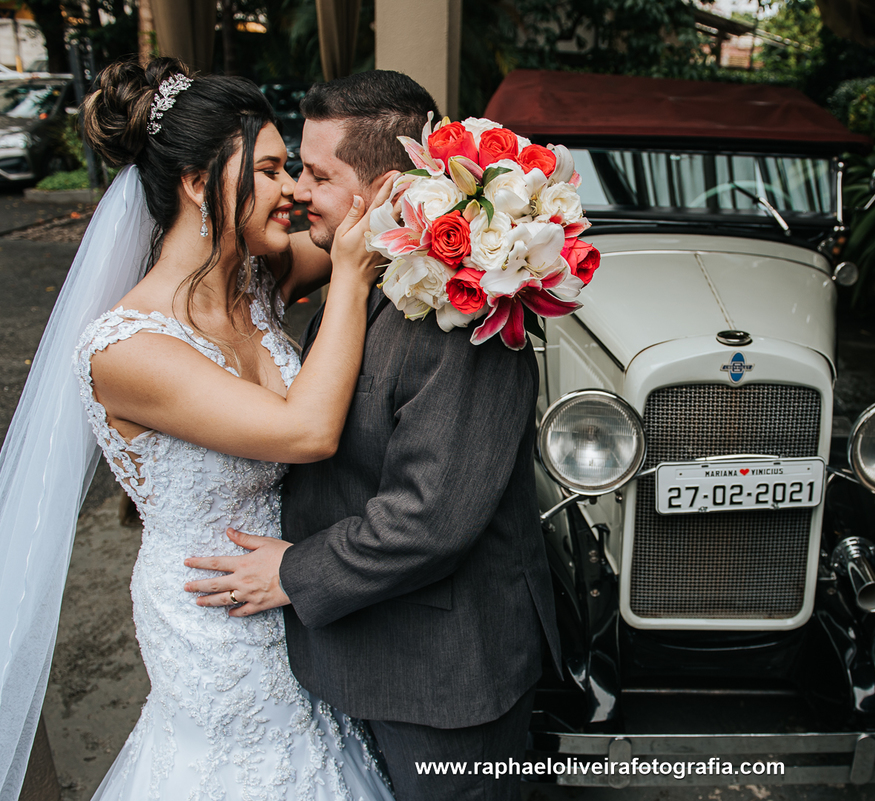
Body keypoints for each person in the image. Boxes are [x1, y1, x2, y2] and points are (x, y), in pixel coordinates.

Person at [181, 71, 563, 800]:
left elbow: (430, 518)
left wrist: (294, 572)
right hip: (369, 652)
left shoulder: (465, 312)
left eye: (317, 174)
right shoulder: (361, 272)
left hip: (445, 680)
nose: (296, 189)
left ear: (386, 189)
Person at [63, 57, 399, 798]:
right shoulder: (127, 350)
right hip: (210, 616)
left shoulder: (261, 279)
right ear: (194, 183)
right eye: (274, 170)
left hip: (292, 591)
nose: (293, 191)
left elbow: (371, 223)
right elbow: (306, 431)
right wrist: (349, 277)